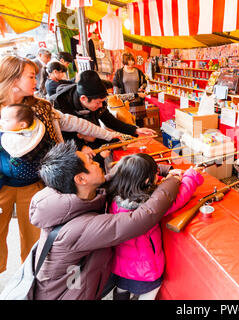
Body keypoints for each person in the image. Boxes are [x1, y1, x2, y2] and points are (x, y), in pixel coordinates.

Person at [0, 55, 120, 274]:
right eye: (30, 76)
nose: (36, 79)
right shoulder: (3, 112)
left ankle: (31, 278)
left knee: (35, 241)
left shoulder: (43, 107)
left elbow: (73, 122)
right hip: (3, 186)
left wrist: (108, 135)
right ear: (14, 79)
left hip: (35, 184)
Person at [28, 141, 181, 299]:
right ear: (80, 179)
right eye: (91, 162)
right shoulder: (78, 229)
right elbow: (142, 218)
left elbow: (123, 174)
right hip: (69, 293)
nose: (97, 163)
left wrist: (158, 170)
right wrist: (173, 181)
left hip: (78, 281)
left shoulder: (73, 195)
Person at [105, 153, 204, 300]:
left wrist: (166, 178)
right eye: (154, 174)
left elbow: (145, 183)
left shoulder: (115, 196)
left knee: (122, 290)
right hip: (144, 269)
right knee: (150, 291)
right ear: (146, 180)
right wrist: (191, 176)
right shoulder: (147, 206)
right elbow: (178, 198)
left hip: (119, 265)